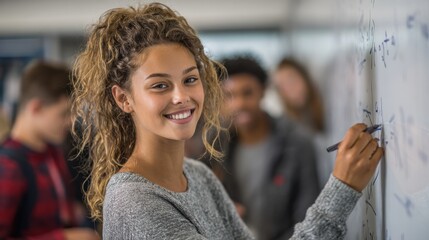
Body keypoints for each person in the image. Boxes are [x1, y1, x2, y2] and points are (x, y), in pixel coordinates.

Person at [71, 3, 383, 240]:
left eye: (190, 79)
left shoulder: (198, 175)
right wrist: (342, 189)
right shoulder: (134, 200)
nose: (182, 97)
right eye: (160, 85)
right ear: (123, 99)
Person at [213, 55, 320, 239]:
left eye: (247, 93)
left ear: (263, 91)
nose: (239, 103)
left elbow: (308, 216)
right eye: (229, 96)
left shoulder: (297, 143)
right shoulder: (216, 145)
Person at [0, 61, 99, 239]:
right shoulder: (8, 166)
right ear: (36, 108)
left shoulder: (53, 151)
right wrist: (65, 237)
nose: (70, 122)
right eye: (63, 113)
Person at [273, 58, 325, 133]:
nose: (289, 89)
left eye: (291, 79)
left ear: (303, 76)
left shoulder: (327, 104)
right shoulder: (287, 128)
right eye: (282, 86)